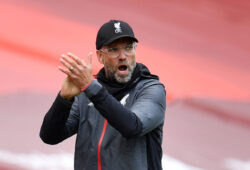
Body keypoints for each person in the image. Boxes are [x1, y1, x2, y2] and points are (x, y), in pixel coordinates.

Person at [40, 19, 166, 170]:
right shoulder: (87, 91)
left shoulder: (151, 89)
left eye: (128, 48)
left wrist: (91, 88)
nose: (123, 56)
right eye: (114, 50)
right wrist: (63, 99)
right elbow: (50, 137)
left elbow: (133, 127)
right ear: (100, 57)